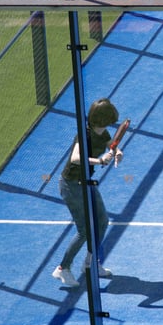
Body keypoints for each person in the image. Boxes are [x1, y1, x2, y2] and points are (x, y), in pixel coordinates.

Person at [52, 97, 122, 287]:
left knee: (102, 221)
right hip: (71, 185)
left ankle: (91, 264)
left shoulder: (103, 132)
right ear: (103, 119)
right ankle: (62, 269)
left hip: (86, 183)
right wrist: (99, 161)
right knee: (84, 230)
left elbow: (111, 146)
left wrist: (117, 152)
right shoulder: (85, 135)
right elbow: (76, 158)